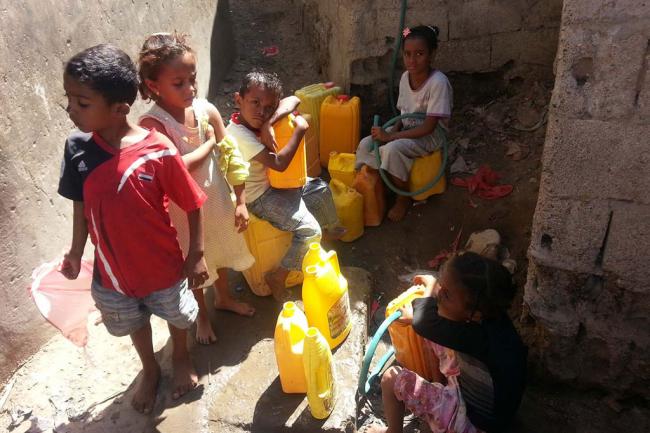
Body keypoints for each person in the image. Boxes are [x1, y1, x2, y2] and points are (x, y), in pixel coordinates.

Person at [58, 44, 208, 413]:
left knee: (175, 314)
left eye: (81, 102)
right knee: (132, 320)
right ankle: (150, 369)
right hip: (113, 273)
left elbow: (191, 202)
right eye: (69, 99)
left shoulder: (157, 150)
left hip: (163, 266)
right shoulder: (77, 149)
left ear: (120, 108)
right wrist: (76, 251)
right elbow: (80, 204)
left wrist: (196, 253)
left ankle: (181, 356)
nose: (71, 109)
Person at [137, 32, 255, 345]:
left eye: (193, 79)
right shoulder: (153, 125)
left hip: (216, 200)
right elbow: (175, 167)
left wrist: (240, 200)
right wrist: (209, 145)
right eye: (179, 83)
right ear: (153, 86)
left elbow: (232, 157)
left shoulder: (206, 111)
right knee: (196, 263)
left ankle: (224, 298)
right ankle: (202, 314)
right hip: (183, 212)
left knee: (220, 249)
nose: (190, 88)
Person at [365, 252, 527, 433]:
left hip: (471, 422)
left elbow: (423, 323)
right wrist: (424, 308)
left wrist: (431, 286)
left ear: (475, 312)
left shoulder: (478, 338)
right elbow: (432, 323)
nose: (439, 294)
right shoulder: (491, 319)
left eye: (447, 294)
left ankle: (393, 431)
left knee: (390, 378)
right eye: (441, 286)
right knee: (434, 335)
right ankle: (438, 384)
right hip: (493, 410)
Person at [225, 70, 344, 300]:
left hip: (277, 185)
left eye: (269, 107)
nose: (261, 111)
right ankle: (278, 276)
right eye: (255, 103)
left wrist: (269, 122)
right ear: (238, 100)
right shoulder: (238, 134)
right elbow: (278, 164)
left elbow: (294, 99)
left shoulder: (260, 121)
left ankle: (327, 233)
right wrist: (299, 131)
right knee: (310, 231)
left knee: (320, 189)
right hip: (259, 198)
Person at [355, 25, 453, 222]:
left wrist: (391, 137)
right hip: (406, 127)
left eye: (419, 54)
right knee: (366, 143)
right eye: (407, 54)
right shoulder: (405, 77)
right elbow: (403, 114)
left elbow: (429, 127)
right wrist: (388, 133)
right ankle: (377, 183)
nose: (412, 60)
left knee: (392, 149)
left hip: (431, 135)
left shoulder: (438, 83)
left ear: (432, 54)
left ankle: (403, 197)